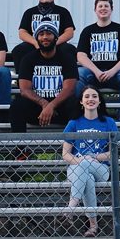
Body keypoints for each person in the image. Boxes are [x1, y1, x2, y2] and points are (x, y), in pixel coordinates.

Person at [10, 21, 77, 158]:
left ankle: (74, 148)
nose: (45, 37)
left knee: (76, 103)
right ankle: (21, 149)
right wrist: (44, 104)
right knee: (17, 105)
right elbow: (24, 89)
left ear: (56, 37)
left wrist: (51, 105)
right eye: (41, 34)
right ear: (36, 38)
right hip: (37, 111)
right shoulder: (28, 59)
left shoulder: (67, 58)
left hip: (60, 108)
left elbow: (69, 89)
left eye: (48, 34)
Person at [62, 86, 116, 238]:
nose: (90, 99)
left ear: (99, 101)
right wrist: (80, 160)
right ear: (81, 101)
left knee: (86, 165)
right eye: (87, 96)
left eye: (94, 96)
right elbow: (65, 154)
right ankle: (93, 226)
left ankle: (70, 209)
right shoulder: (74, 123)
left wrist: (94, 158)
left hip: (101, 168)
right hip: (76, 167)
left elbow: (112, 152)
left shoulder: (108, 122)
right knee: (88, 180)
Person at [76, 0, 120, 121]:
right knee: (78, 73)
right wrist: (97, 71)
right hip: (94, 74)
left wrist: (112, 71)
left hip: (116, 74)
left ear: (111, 9)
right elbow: (81, 56)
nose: (103, 8)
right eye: (100, 6)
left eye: (106, 6)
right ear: (95, 10)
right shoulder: (88, 31)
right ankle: (81, 116)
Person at [12, 0, 75, 73]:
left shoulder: (63, 11)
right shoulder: (29, 12)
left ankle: (67, 78)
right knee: (19, 50)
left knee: (69, 49)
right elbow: (22, 33)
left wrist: (54, 43)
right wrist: (35, 43)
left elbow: (69, 32)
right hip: (35, 44)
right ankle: (23, 79)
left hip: (57, 43)